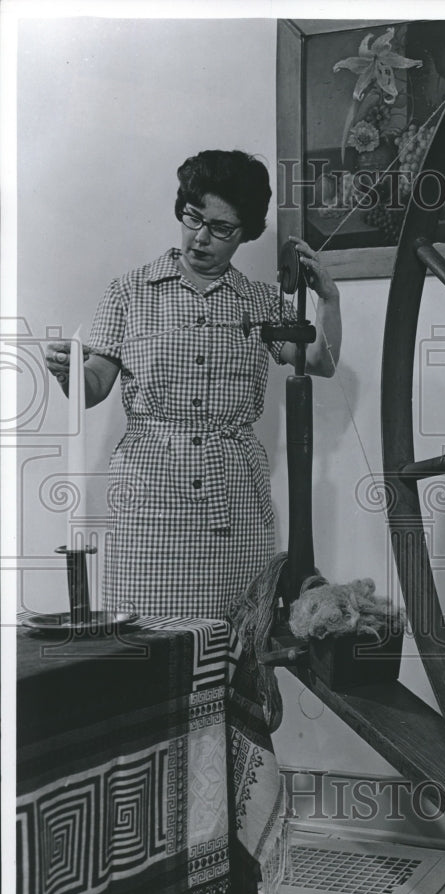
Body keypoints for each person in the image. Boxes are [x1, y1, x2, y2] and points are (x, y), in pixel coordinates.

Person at [46, 149, 341, 620]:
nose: (200, 237)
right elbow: (93, 385)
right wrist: (68, 372)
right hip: (149, 501)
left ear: (245, 233)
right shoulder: (130, 292)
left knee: (234, 644)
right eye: (193, 217)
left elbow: (318, 361)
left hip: (235, 504)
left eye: (221, 228)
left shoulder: (261, 302)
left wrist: (328, 299)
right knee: (147, 642)